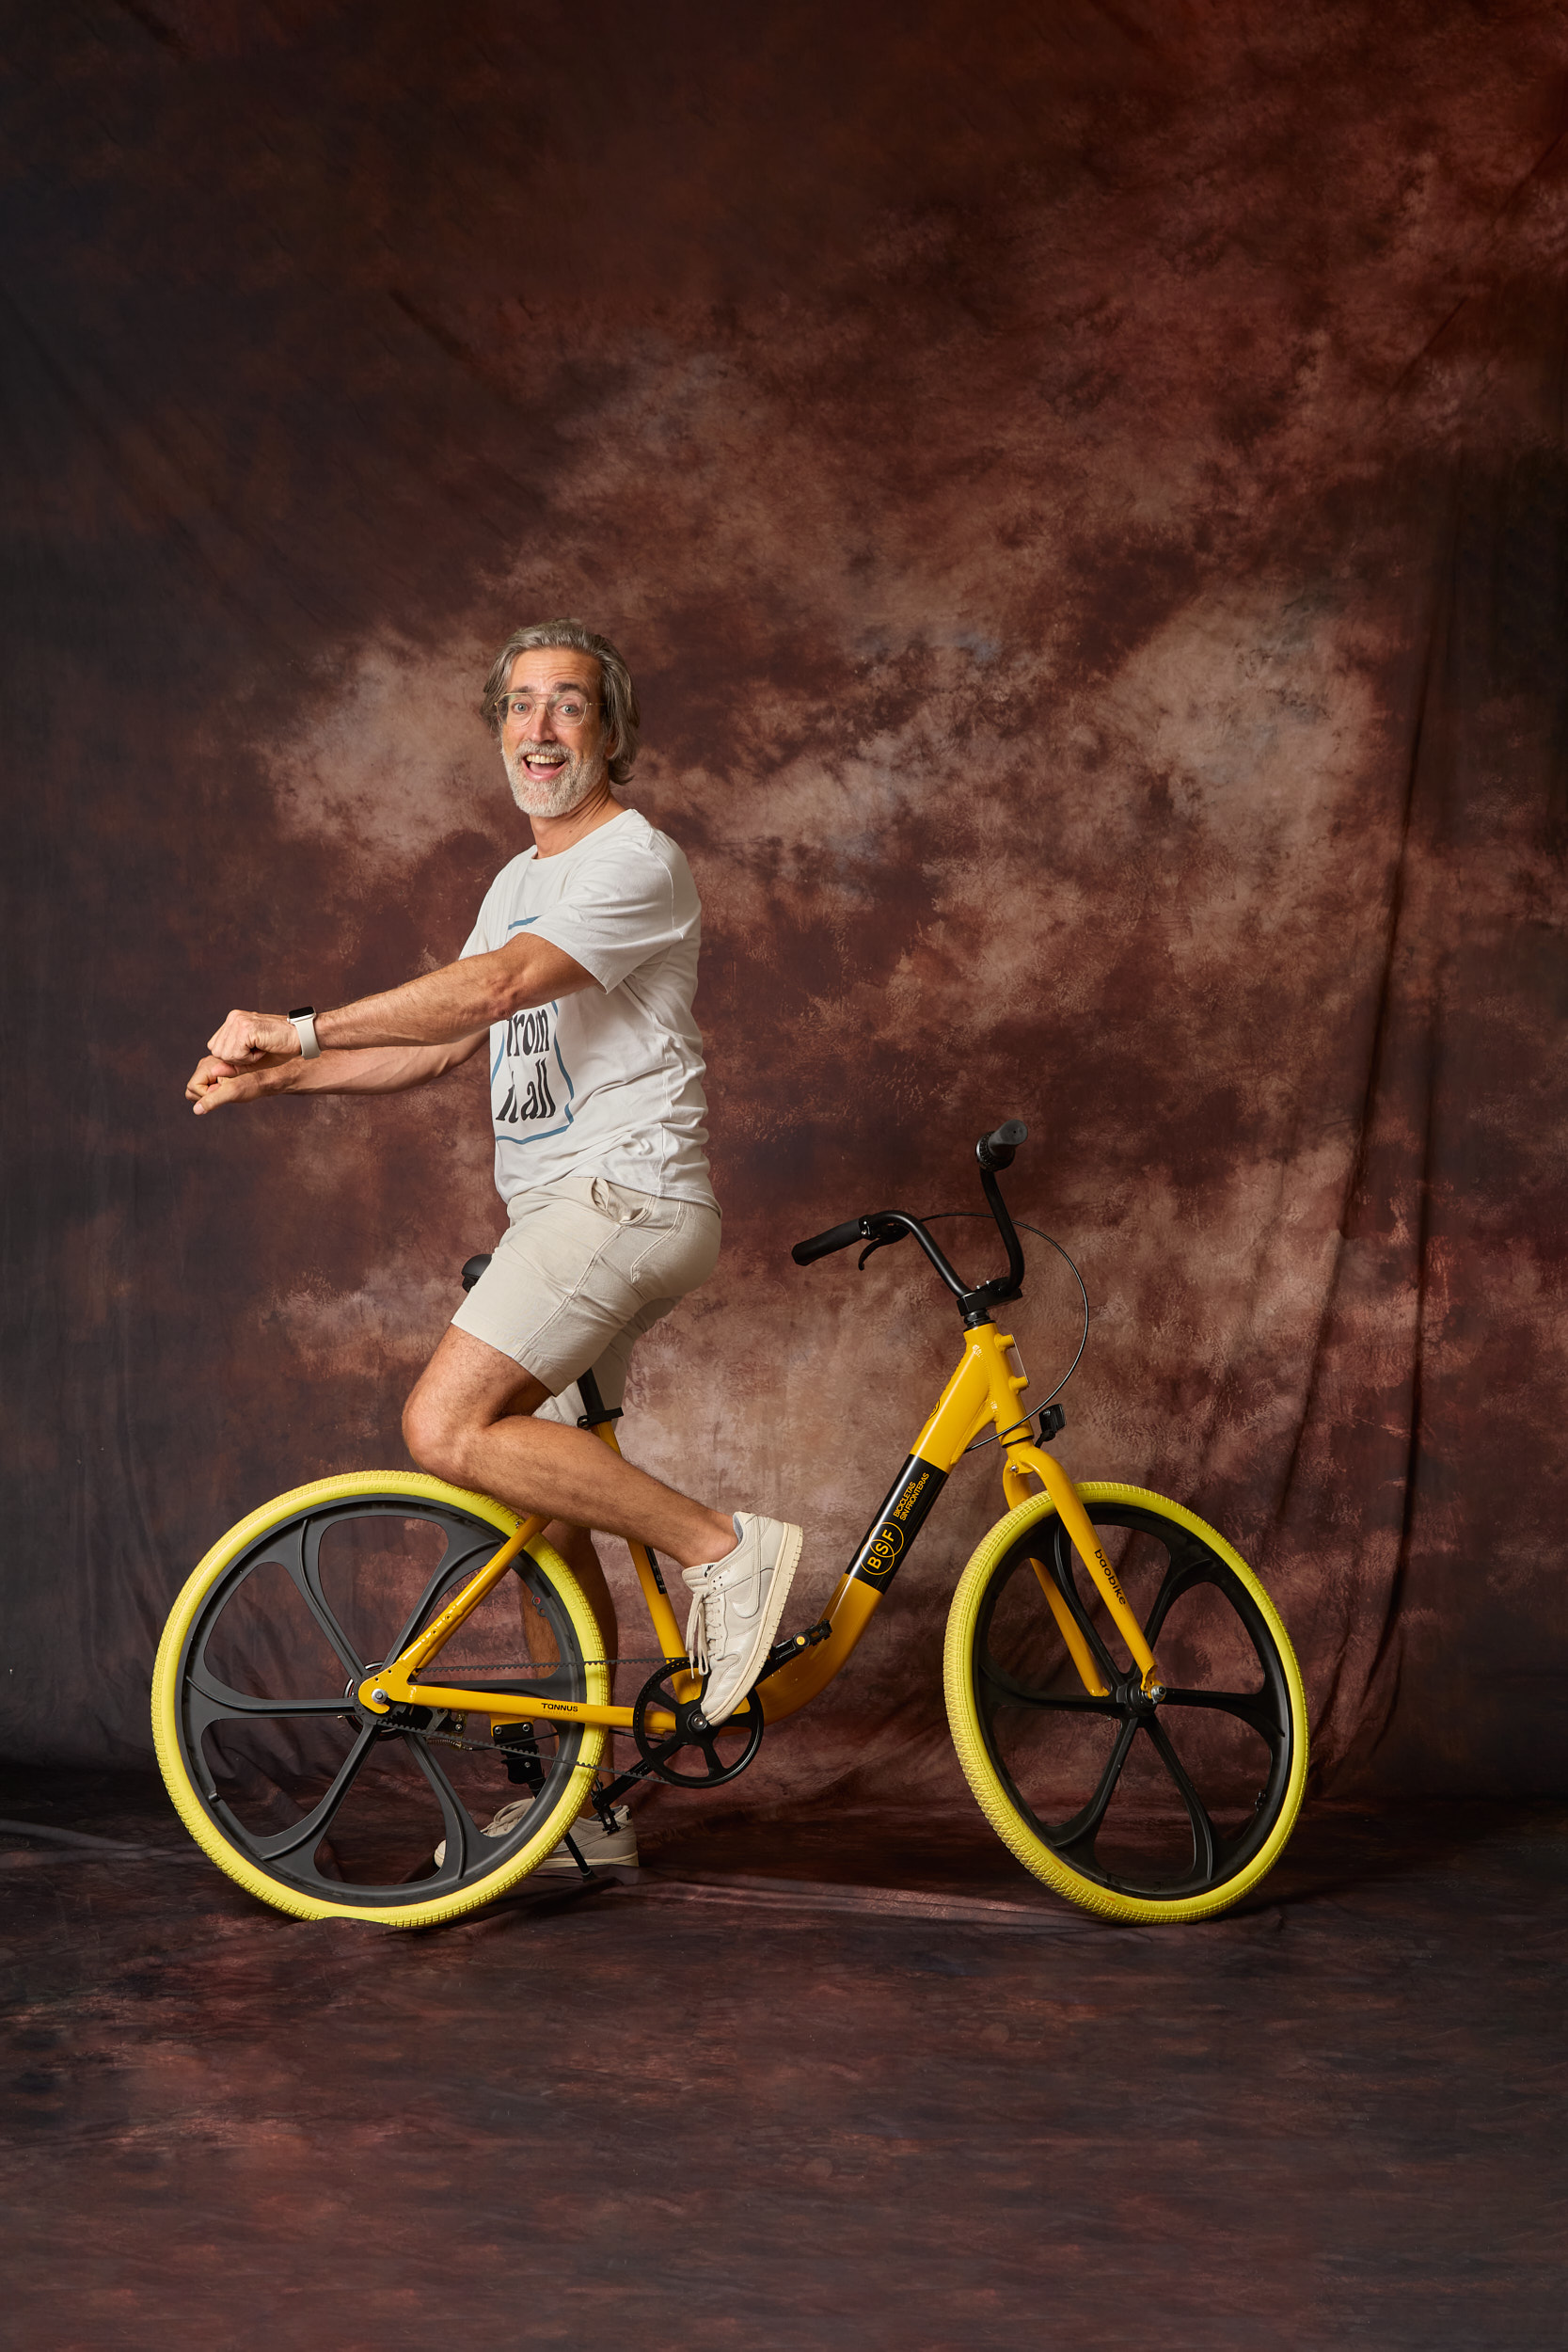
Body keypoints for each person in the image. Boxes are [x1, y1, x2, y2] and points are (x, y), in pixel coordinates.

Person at [185, 619, 802, 1872]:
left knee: (445, 1430)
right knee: (532, 1496)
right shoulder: (516, 882)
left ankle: (724, 1553)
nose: (539, 731)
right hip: (567, 1217)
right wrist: (277, 1084)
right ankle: (582, 1809)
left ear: (611, 733)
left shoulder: (634, 860)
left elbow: (491, 992)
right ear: (497, 733)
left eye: (568, 707)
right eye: (519, 707)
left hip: (620, 1200)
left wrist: (296, 1028)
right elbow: (437, 1046)